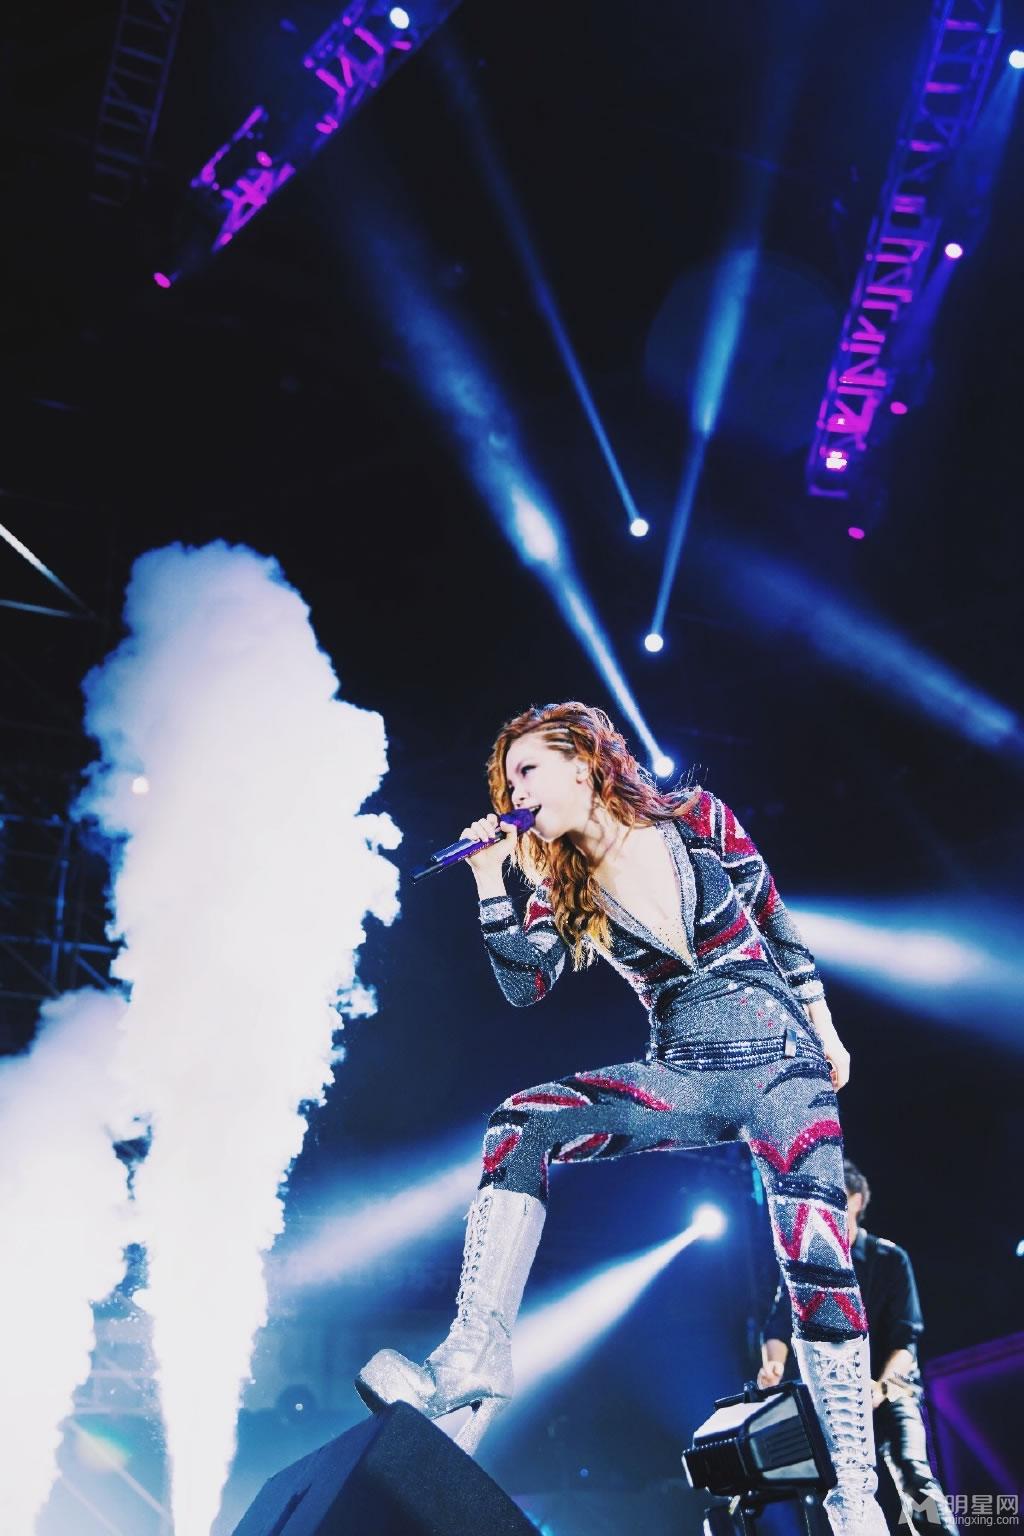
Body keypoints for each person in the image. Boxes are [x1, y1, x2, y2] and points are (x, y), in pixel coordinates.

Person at [355, 701, 888, 1536]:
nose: (515, 794)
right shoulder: (557, 880)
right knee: (520, 1124)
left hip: (787, 1069)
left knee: (816, 1261)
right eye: (506, 784)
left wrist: (824, 1026)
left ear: (581, 762)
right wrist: (491, 880)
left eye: (527, 771)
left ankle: (857, 1497)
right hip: (684, 1075)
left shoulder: (697, 816)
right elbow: (524, 984)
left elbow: (774, 916)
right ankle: (472, 1356)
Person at [758, 1159, 958, 1536]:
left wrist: (881, 1387)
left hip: (893, 1388)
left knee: (913, 1475)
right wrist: (773, 1365)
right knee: (838, 1494)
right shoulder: (806, 1268)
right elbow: (778, 1326)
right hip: (837, 1400)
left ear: (856, 1202)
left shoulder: (890, 1259)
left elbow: (905, 1342)